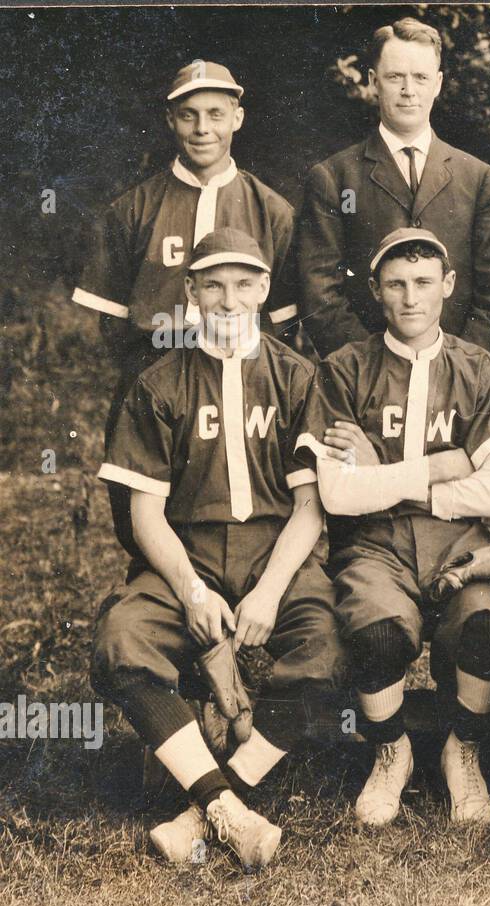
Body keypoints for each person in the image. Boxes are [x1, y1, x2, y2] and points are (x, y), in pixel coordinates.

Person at [89, 228, 341, 868]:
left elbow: (310, 506)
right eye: (214, 285)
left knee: (330, 649)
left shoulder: (298, 376)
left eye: (243, 284)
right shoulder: (159, 382)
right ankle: (228, 809)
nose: (229, 299)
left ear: (262, 289)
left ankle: (204, 809)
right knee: (121, 640)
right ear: (192, 292)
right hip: (186, 552)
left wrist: (268, 593)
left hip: (273, 552)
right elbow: (144, 512)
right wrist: (192, 590)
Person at [295, 227, 490, 828]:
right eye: (395, 284)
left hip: (464, 543)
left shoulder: (479, 369)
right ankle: (392, 749)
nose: (410, 298)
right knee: (379, 633)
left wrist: (386, 474)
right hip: (374, 544)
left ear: (447, 286)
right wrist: (441, 466)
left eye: (423, 283)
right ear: (375, 291)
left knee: (489, 622)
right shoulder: (344, 370)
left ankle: (461, 747)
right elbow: (338, 495)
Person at [74, 59, 298, 553]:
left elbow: (283, 324)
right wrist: (157, 369)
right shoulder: (133, 208)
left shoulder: (272, 210)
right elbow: (112, 323)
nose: (203, 129)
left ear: (237, 118)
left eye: (216, 114)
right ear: (171, 120)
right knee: (145, 513)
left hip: (245, 388)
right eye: (189, 115)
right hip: (153, 384)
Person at [297, 16, 490, 356]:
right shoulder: (334, 177)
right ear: (373, 81)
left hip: (460, 380)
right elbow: (320, 294)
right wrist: (367, 371)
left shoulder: (480, 179)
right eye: (395, 77)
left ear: (437, 83)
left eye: (421, 77)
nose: (409, 90)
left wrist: (464, 369)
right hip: (364, 381)